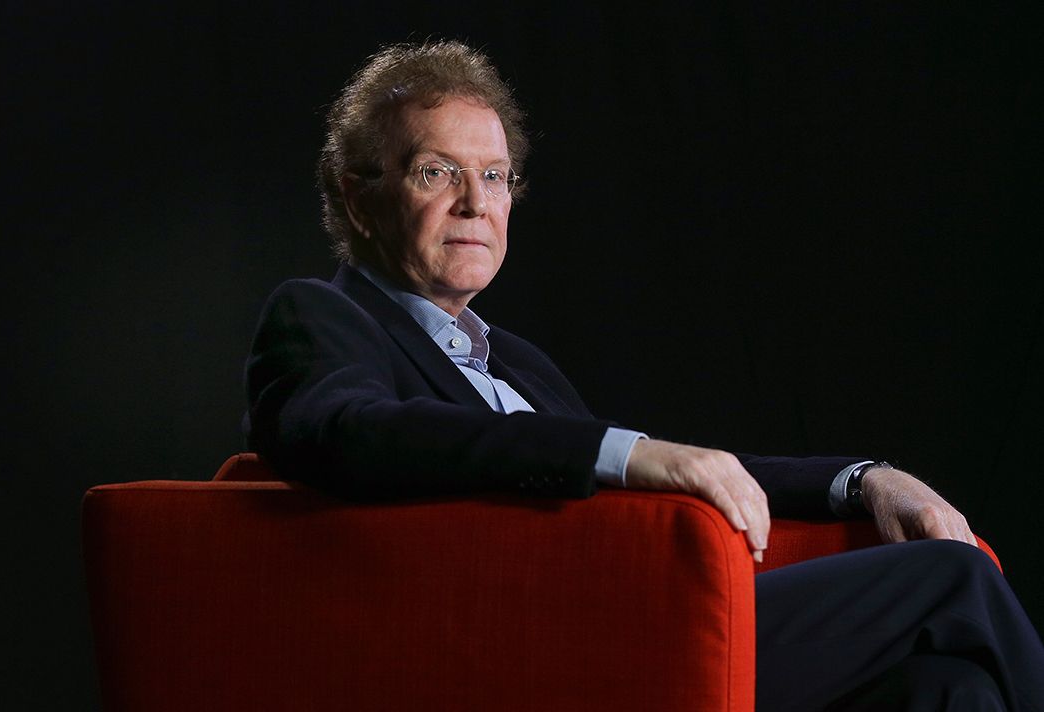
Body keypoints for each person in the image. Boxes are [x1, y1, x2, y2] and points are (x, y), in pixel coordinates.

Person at [244, 40, 1044, 710]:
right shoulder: (319, 316)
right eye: (434, 172)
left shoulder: (516, 362)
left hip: (629, 619)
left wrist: (862, 480)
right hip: (548, 653)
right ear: (358, 200)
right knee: (951, 576)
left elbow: (689, 474)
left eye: (492, 176)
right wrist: (622, 452)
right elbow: (347, 431)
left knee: (947, 689)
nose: (474, 204)